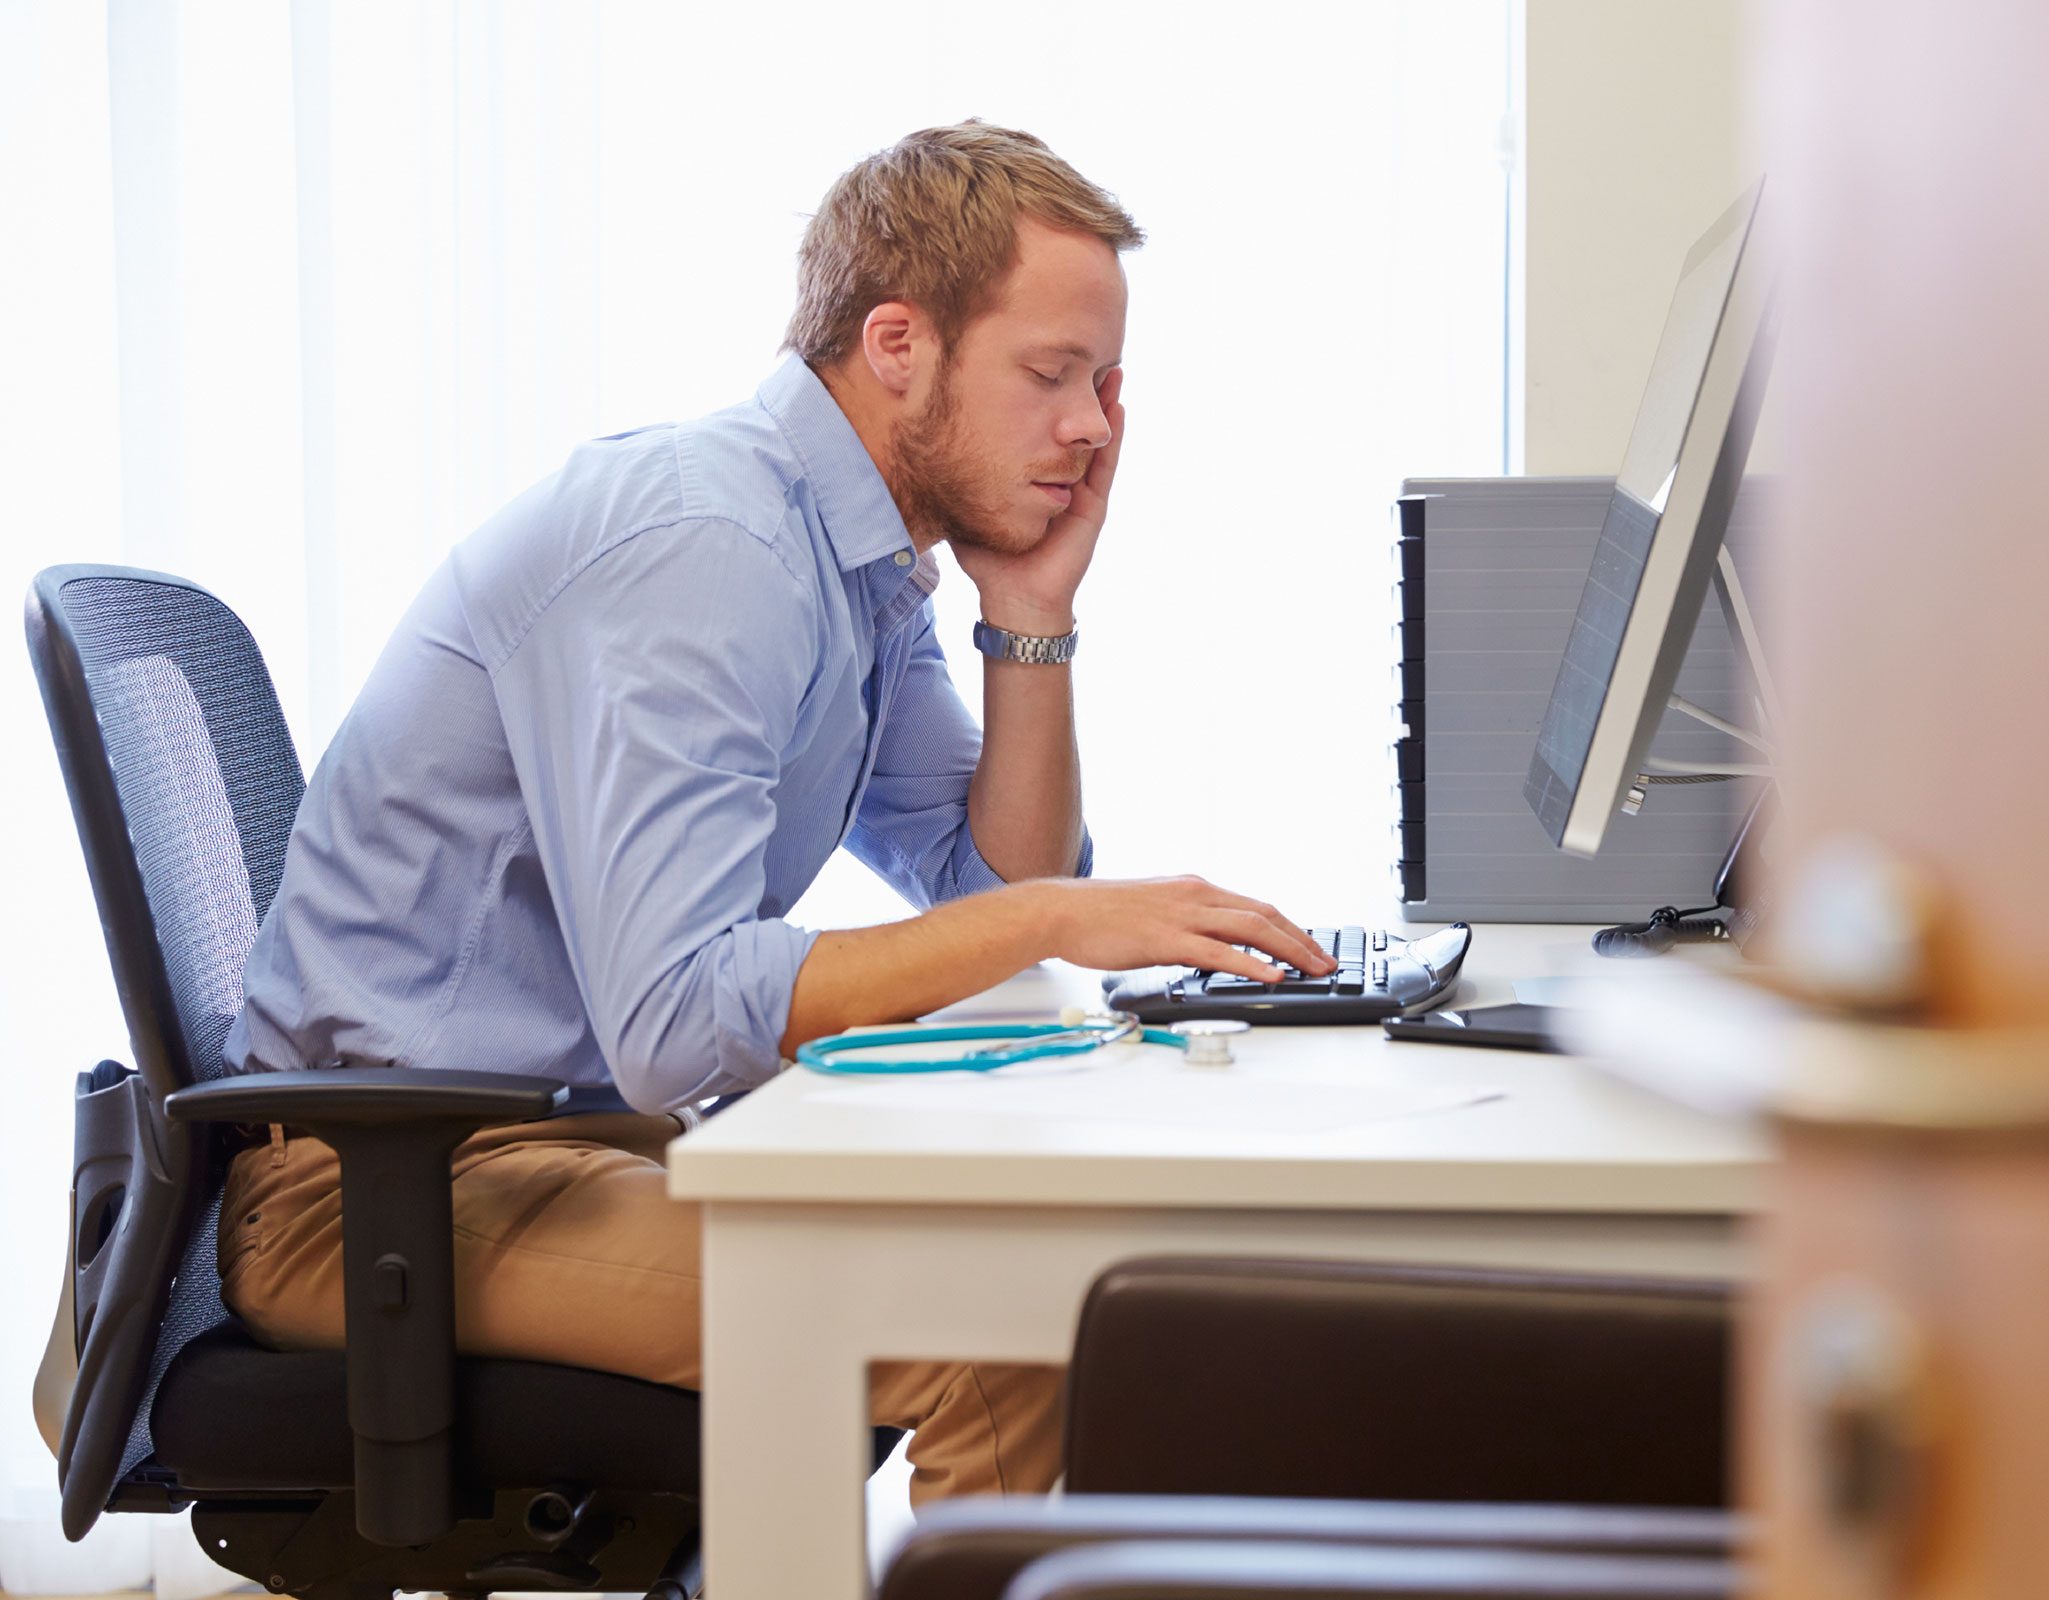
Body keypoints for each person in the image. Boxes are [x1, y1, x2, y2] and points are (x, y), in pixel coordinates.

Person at [217, 120, 1335, 1503]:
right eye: (1052, 374)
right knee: (995, 1335)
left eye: (1104, 384)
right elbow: (676, 1017)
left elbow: (988, 876)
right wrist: (1058, 915)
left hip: (550, 1154)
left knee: (1060, 1250)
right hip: (376, 1200)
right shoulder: (715, 544)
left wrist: (1032, 617)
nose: (1095, 427)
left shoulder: (851, 560)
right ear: (897, 343)